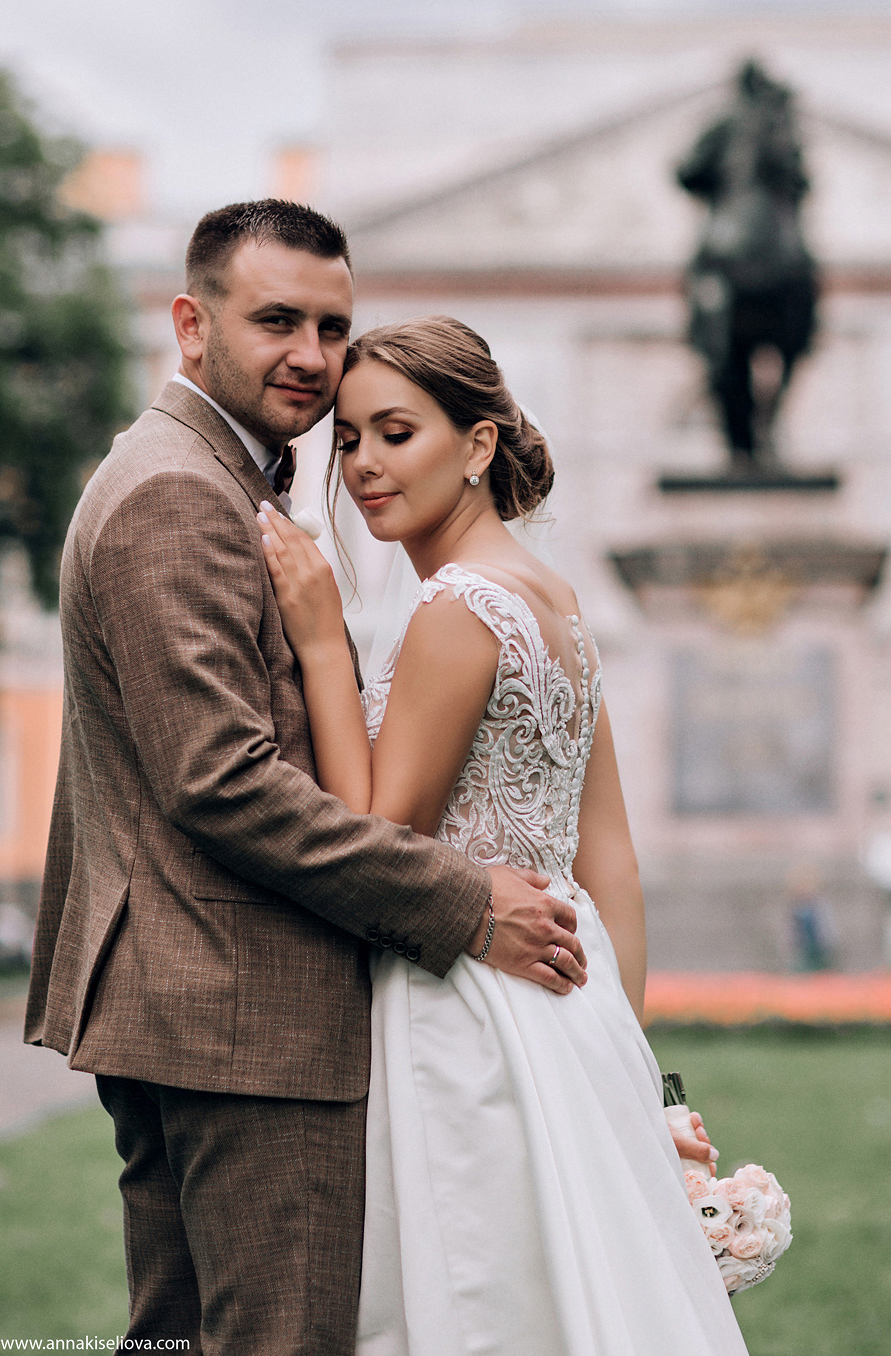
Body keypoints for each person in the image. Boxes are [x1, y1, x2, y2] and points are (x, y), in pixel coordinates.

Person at [23, 202, 591, 1356]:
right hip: (240, 1012)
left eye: (331, 325)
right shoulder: (179, 493)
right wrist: (462, 899)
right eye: (275, 319)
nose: (311, 355)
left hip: (212, 1006)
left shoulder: (217, 481)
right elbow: (222, 783)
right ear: (191, 324)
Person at [257, 315, 750, 1355]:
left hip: (464, 1008)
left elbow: (377, 834)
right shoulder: (556, 603)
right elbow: (606, 862)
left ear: (477, 445)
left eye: (397, 432)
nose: (365, 467)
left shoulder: (457, 605)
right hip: (575, 1008)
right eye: (347, 440)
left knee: (474, 1297)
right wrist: (627, 1062)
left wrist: (316, 643)